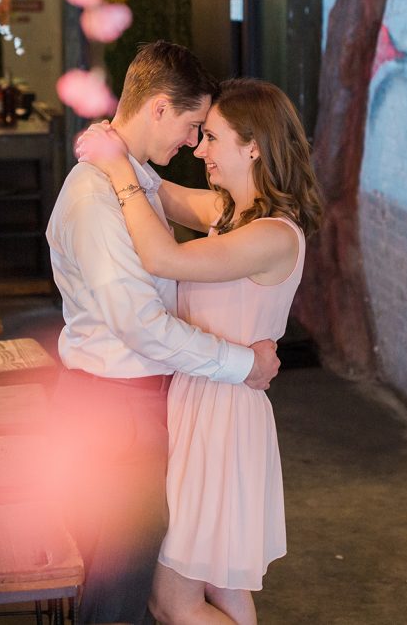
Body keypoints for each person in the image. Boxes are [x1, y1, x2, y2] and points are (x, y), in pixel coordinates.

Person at [46, 42, 280, 625]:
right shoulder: (97, 197)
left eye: (207, 133)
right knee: (120, 596)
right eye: (192, 125)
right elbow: (142, 326)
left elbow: (204, 215)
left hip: (152, 405)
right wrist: (241, 363)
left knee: (153, 588)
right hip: (114, 414)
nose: (193, 142)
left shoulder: (137, 184)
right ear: (156, 109)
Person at [77, 76, 322, 625]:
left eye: (211, 138)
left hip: (221, 419)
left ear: (254, 144)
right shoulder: (231, 214)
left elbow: (165, 258)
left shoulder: (273, 235)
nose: (199, 150)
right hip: (203, 403)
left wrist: (117, 170)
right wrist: (117, 145)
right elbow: (160, 192)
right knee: (223, 588)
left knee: (171, 600)